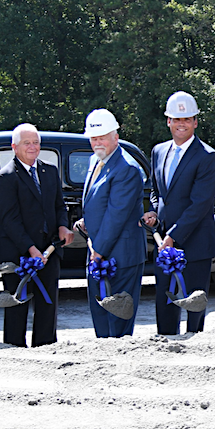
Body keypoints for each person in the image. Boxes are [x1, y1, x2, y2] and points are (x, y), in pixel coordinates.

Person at [143, 91, 215, 335]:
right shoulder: (158, 151)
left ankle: (196, 346)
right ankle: (166, 343)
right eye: (176, 119)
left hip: (195, 244)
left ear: (195, 122)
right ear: (168, 121)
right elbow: (156, 191)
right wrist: (153, 212)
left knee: (195, 306)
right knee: (165, 303)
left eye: (187, 119)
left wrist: (173, 236)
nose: (181, 124)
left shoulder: (208, 157)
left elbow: (200, 204)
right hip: (165, 243)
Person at [0, 124, 73, 347]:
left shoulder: (50, 171)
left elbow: (59, 206)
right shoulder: (5, 177)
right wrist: (31, 249)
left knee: (48, 305)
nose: (32, 147)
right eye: (26, 143)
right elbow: (9, 221)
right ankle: (14, 349)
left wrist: (63, 226)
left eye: (36, 142)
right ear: (14, 147)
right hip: (18, 253)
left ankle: (45, 347)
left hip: (49, 251)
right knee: (16, 306)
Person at [77, 109, 146, 338]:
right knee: (100, 317)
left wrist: (98, 251)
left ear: (116, 137)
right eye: (93, 138)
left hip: (121, 256)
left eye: (102, 137)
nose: (97, 142)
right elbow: (99, 202)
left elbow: (117, 215)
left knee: (118, 322)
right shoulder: (95, 160)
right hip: (99, 251)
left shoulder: (127, 168)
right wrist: (88, 222)